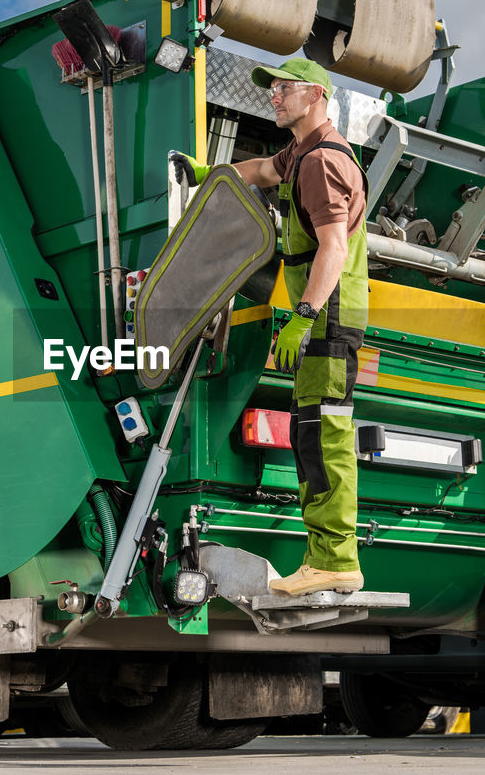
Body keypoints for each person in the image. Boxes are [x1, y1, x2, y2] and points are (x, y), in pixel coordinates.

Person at [171, 59, 368, 596]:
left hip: (327, 316)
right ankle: (327, 557)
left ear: (317, 95)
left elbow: (333, 246)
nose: (274, 97)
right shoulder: (300, 153)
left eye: (285, 89)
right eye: (272, 89)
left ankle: (335, 560)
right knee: (312, 437)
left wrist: (301, 319)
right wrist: (208, 173)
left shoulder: (322, 164)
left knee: (324, 439)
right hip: (323, 315)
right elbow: (259, 171)